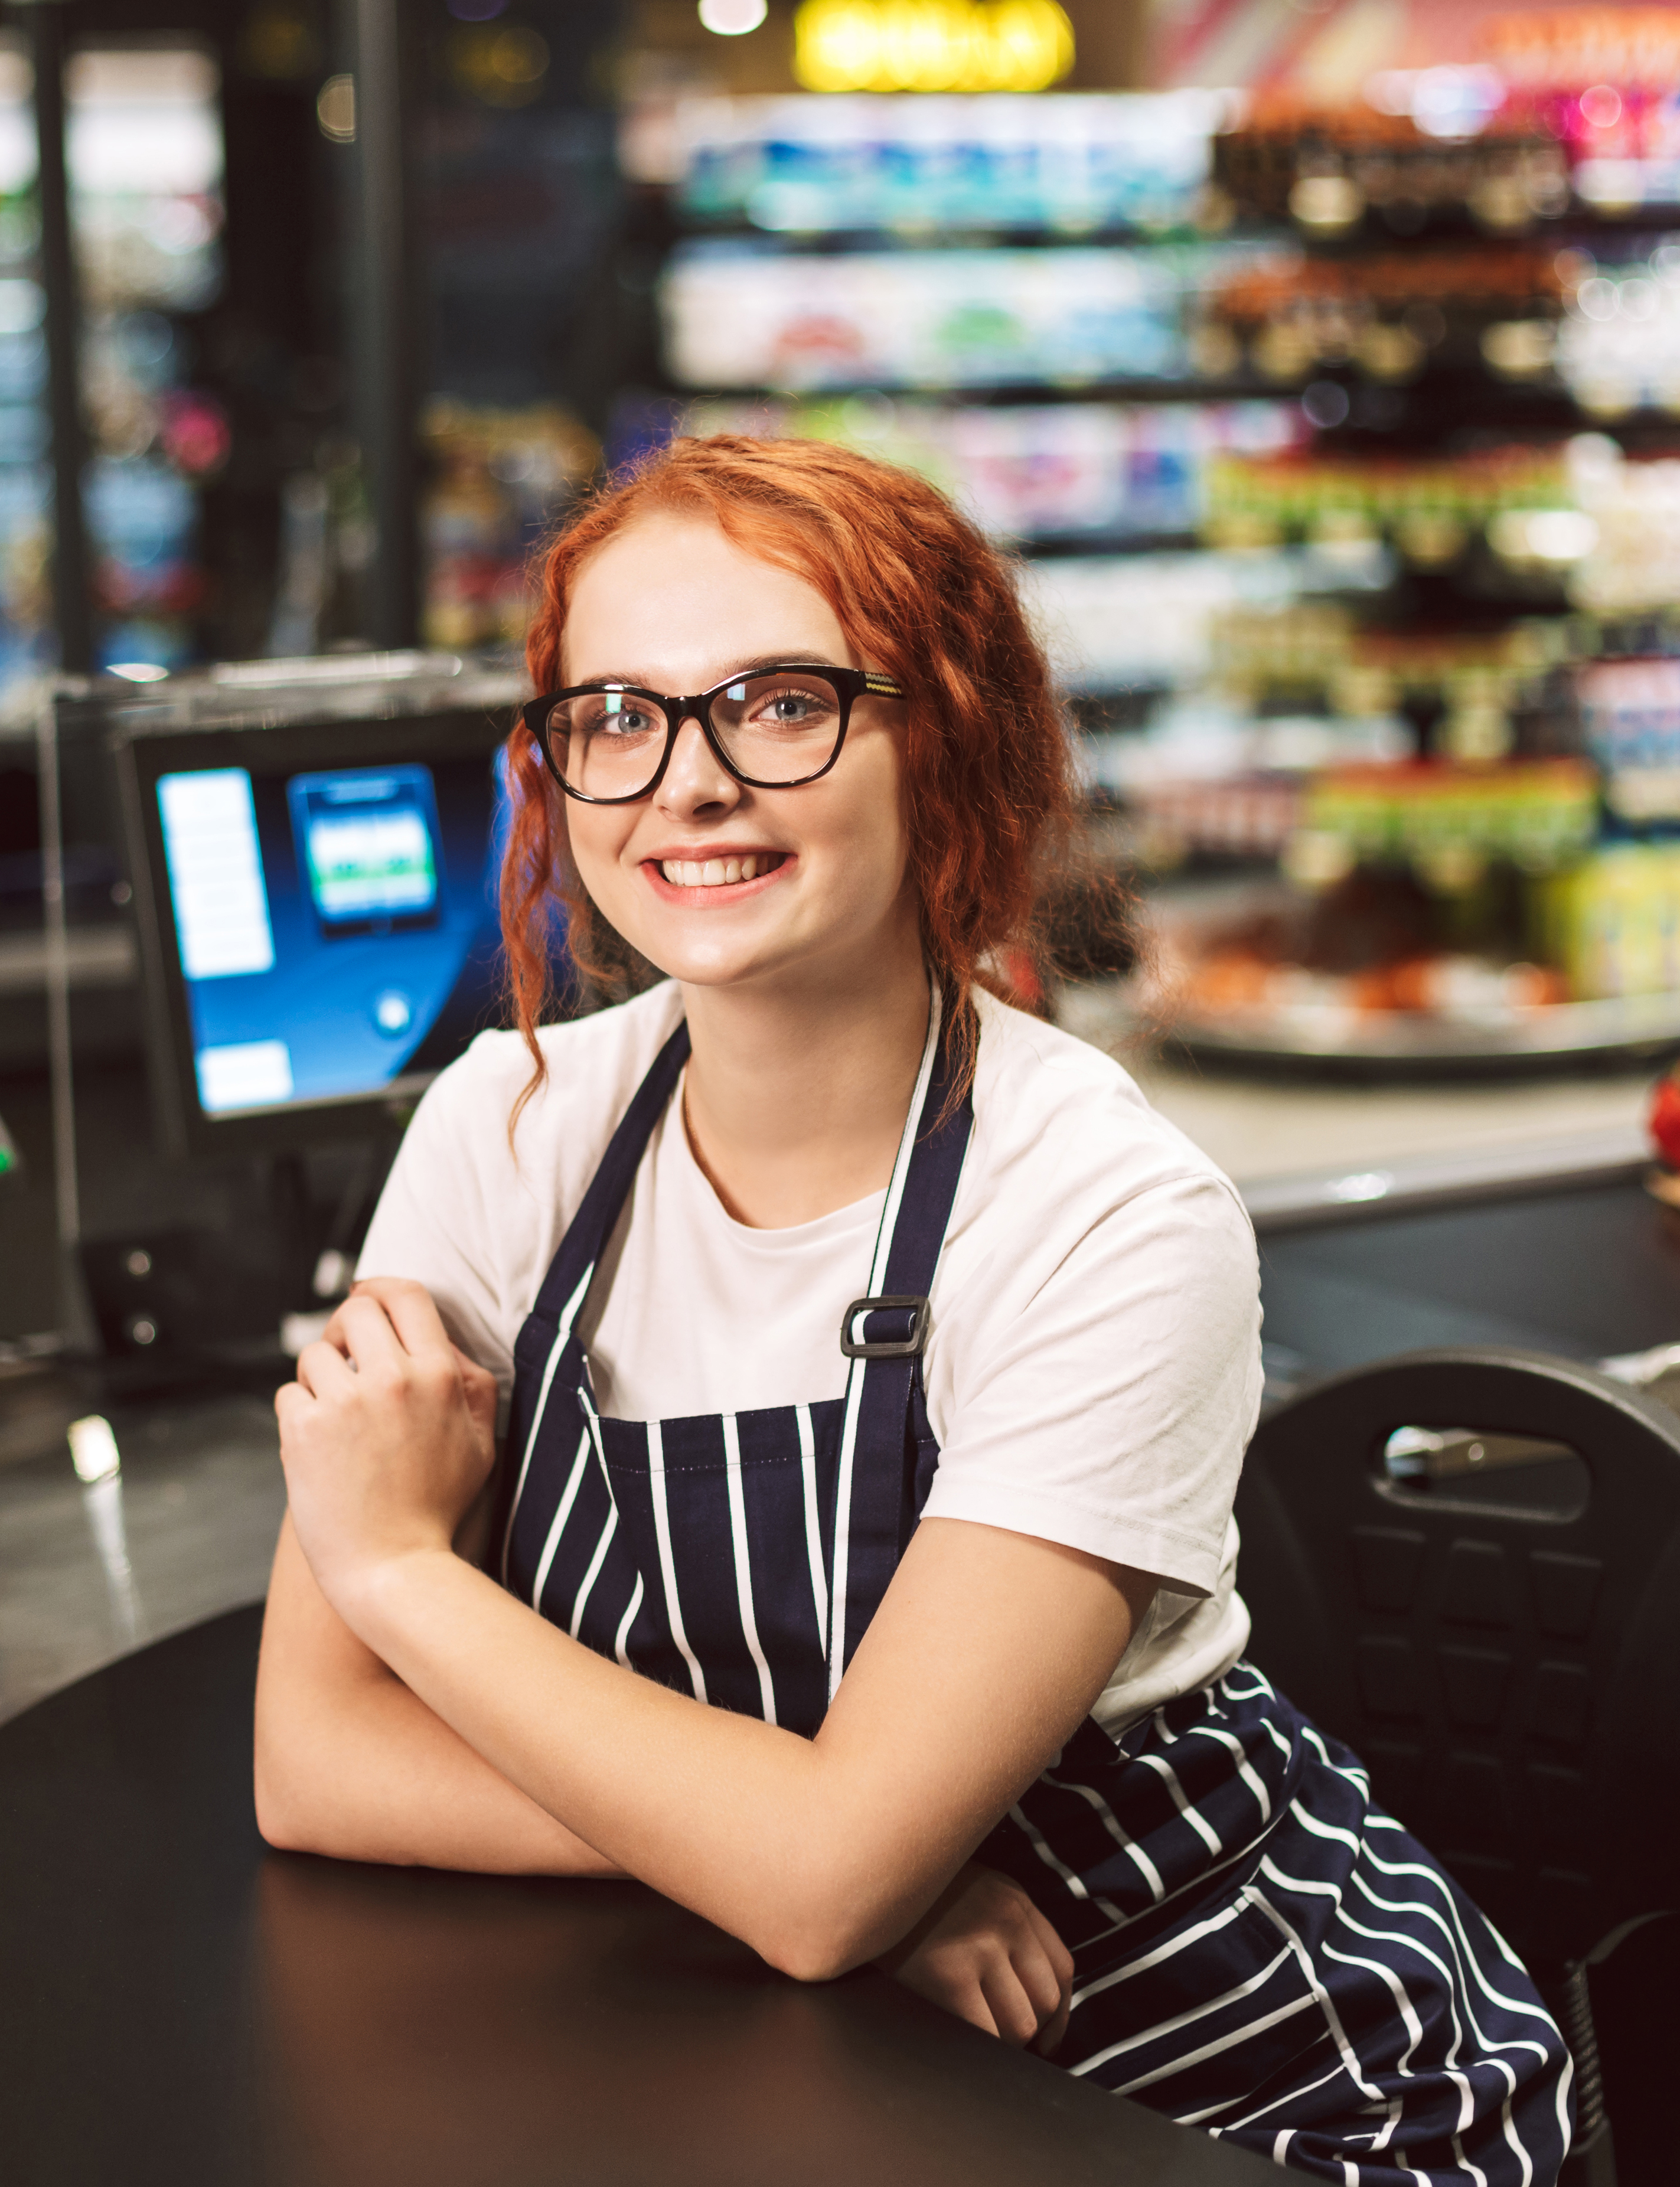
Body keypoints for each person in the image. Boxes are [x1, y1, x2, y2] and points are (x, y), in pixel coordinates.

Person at [251, 437, 1571, 2183]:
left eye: (779, 705)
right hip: (823, 2067)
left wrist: (402, 1568)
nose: (689, 785)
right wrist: (826, 1862)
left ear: (942, 734)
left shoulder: (1107, 1216)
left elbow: (809, 1884)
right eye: (618, 718)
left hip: (1226, 2092)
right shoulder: (510, 1136)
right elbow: (318, 1762)